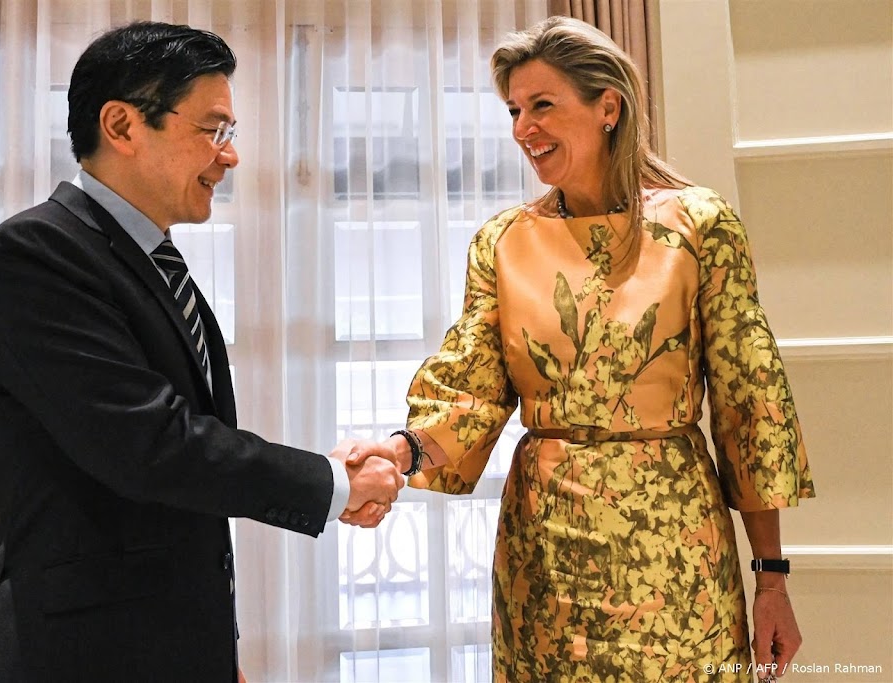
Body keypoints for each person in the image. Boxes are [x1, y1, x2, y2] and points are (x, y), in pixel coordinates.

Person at [344, 16, 815, 683]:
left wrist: (771, 579)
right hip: (545, 552)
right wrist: (400, 451)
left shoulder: (699, 226)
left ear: (607, 108)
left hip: (674, 546)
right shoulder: (503, 242)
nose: (523, 128)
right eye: (514, 110)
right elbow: (471, 389)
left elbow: (751, 406)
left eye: (542, 105)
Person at [0, 21, 402, 683]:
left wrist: (211, 653)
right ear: (122, 125)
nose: (231, 157)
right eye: (213, 129)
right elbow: (153, 446)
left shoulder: (153, 261)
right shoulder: (36, 253)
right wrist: (330, 483)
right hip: (73, 653)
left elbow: (179, 496)